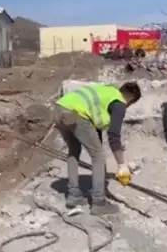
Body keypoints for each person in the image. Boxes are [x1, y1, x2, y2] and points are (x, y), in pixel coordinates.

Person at [53, 81, 142, 215]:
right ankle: (99, 203)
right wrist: (122, 164)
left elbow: (96, 129)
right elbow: (113, 135)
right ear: (130, 100)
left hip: (59, 109)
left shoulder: (106, 92)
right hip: (76, 114)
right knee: (98, 157)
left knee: (74, 150)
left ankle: (74, 195)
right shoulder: (119, 103)